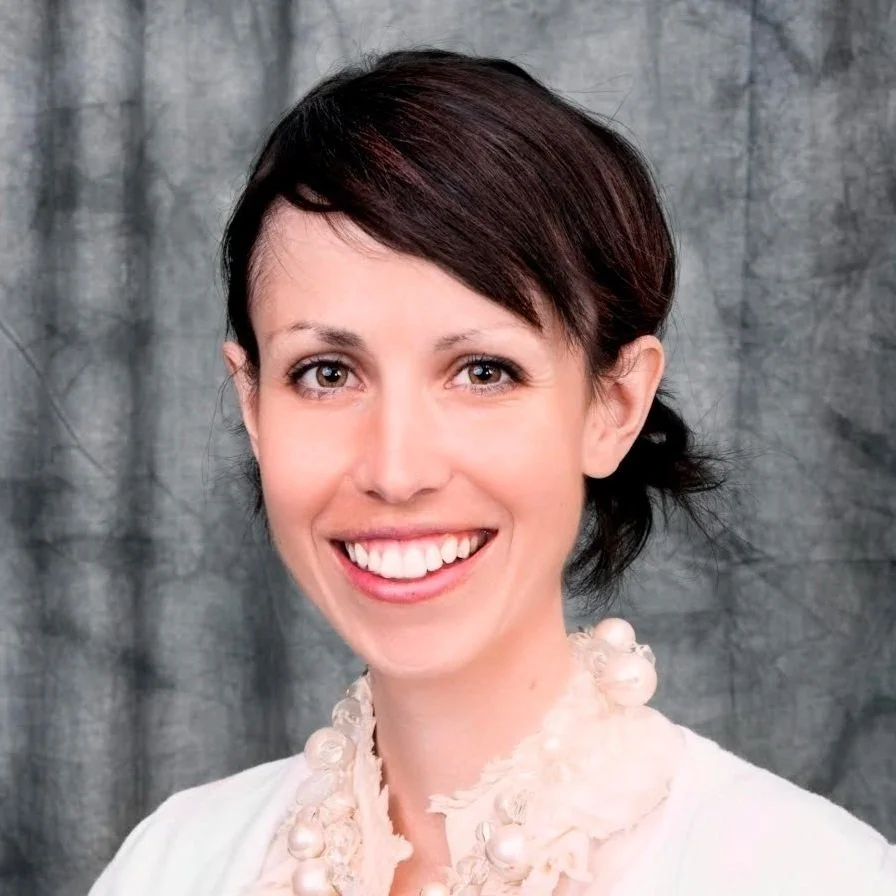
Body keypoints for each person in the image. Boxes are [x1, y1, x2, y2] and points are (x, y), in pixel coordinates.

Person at [87, 48, 895, 896]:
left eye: (483, 372)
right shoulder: (171, 863)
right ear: (253, 405)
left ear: (614, 405)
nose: (396, 471)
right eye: (327, 372)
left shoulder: (818, 875)